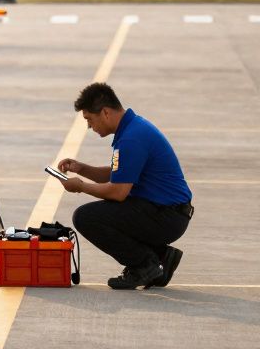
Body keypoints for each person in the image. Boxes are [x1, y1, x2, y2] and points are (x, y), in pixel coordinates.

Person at [58, 82, 193, 290]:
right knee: (108, 212)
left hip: (167, 216)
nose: (89, 127)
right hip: (167, 212)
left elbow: (118, 192)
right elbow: (118, 175)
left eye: (89, 120)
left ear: (105, 113)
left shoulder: (131, 138)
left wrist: (81, 186)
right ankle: (162, 257)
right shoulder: (133, 128)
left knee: (86, 217)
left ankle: (144, 265)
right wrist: (81, 168)